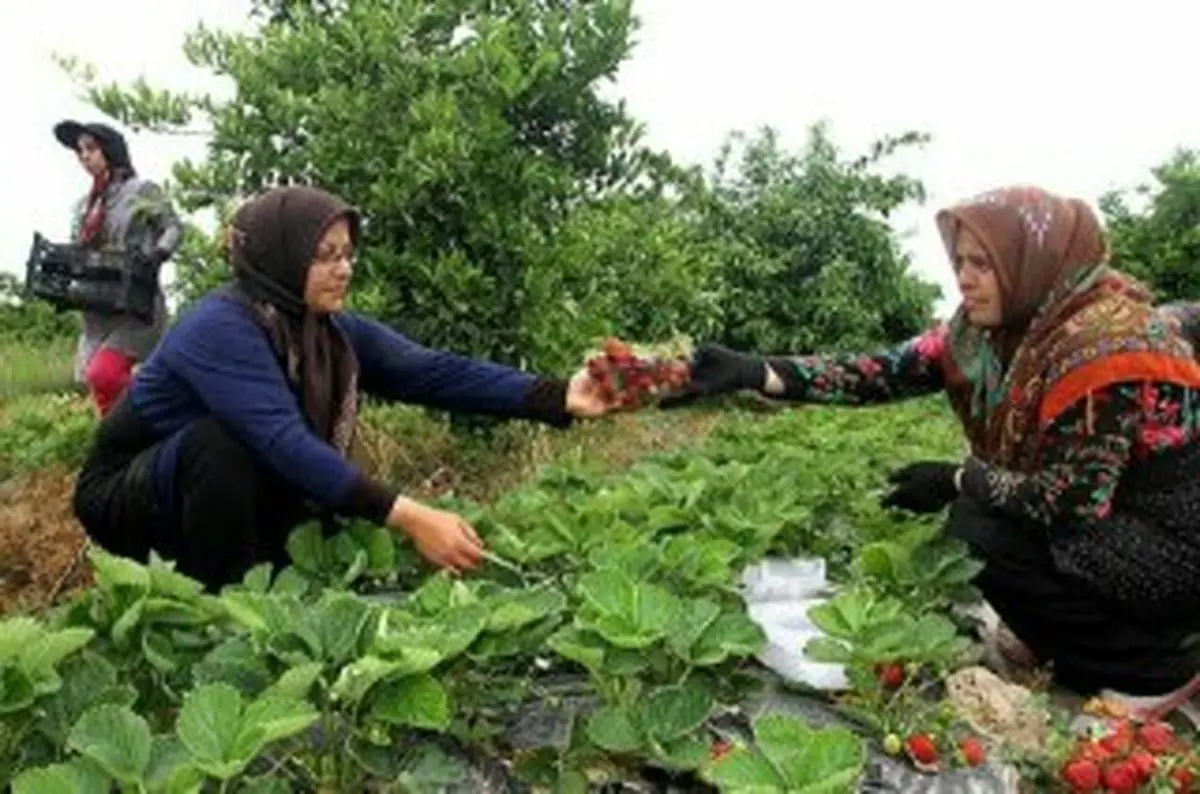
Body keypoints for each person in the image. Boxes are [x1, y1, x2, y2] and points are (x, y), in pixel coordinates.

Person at [667, 185, 1200, 722]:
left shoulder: (1107, 350)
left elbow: (1070, 503)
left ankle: (1150, 669)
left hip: (1175, 545)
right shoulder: (988, 334)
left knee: (983, 527)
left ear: (1032, 262)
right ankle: (1072, 636)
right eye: (961, 261)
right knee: (986, 518)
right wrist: (758, 371)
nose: (964, 278)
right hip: (1123, 530)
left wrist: (957, 478)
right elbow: (882, 371)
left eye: (984, 264)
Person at [72, 184, 617, 591]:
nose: (344, 269)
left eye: (347, 254)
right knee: (227, 445)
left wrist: (559, 394)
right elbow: (283, 441)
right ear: (281, 255)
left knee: (283, 479)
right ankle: (227, 612)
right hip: (129, 495)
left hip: (202, 490)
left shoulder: (324, 332)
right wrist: (411, 517)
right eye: (325, 255)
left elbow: (434, 372)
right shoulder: (217, 326)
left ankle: (274, 588)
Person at [52, 120, 184, 416]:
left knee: (105, 373)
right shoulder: (83, 206)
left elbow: (173, 227)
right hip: (96, 305)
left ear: (109, 150)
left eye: (91, 148)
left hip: (134, 302)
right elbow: (78, 249)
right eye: (79, 151)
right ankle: (120, 443)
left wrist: (158, 254)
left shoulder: (142, 191)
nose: (84, 156)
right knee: (97, 383)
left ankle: (147, 423)